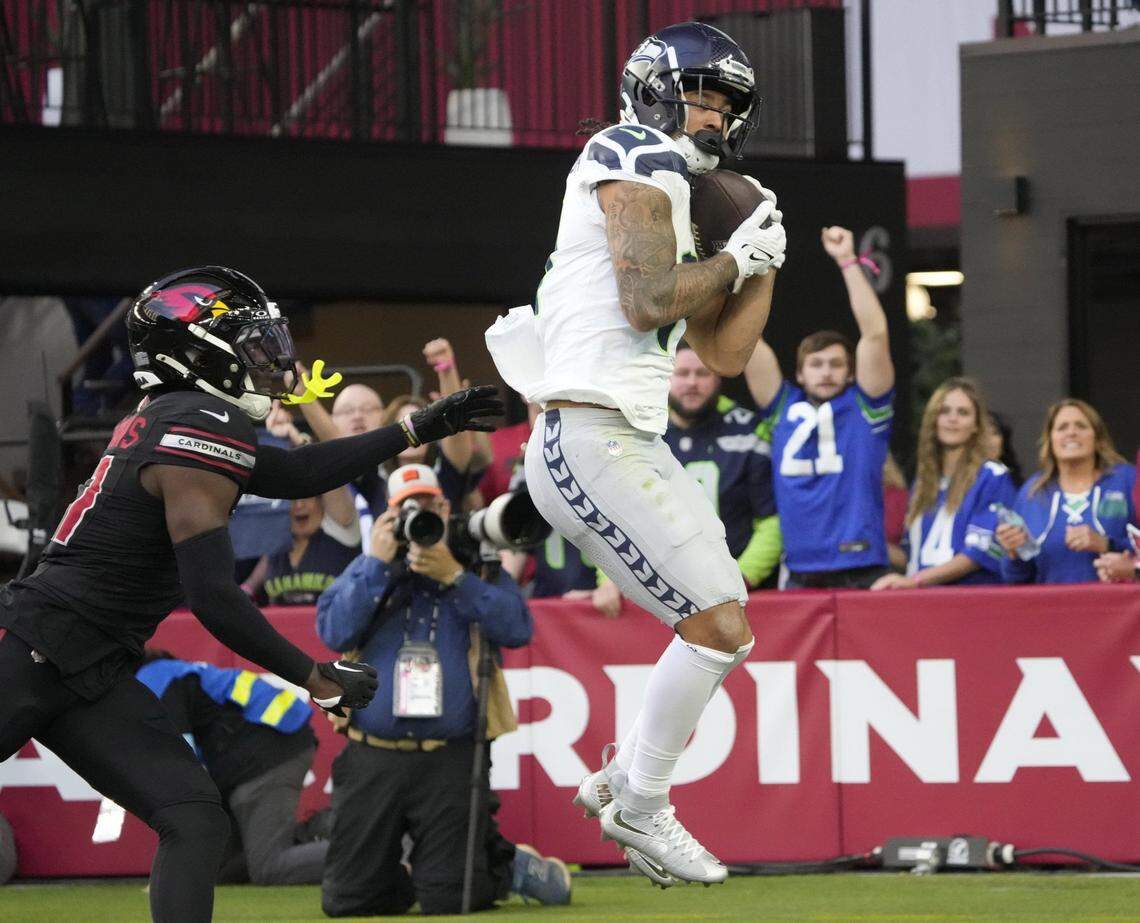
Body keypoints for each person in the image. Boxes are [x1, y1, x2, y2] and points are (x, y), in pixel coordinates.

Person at [0, 265, 501, 923]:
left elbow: (295, 470)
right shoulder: (197, 418)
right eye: (247, 338)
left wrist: (417, 427)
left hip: (87, 665)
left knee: (194, 815)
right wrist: (314, 676)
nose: (266, 354)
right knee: (194, 817)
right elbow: (212, 596)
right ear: (199, 348)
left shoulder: (183, 415)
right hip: (37, 648)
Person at [489, 22, 785, 886]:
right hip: (586, 430)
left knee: (727, 625)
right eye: (702, 92)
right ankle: (642, 798)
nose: (716, 114)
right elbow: (650, 298)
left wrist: (763, 261)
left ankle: (631, 781)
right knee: (718, 624)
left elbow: (722, 355)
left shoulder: (677, 191)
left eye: (729, 103)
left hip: (624, 433)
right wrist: (736, 257)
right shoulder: (629, 149)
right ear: (656, 89)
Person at [315, 464, 569, 915]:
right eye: (406, 507)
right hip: (371, 750)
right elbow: (334, 631)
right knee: (349, 901)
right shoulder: (368, 565)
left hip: (451, 755)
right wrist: (377, 565)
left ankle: (500, 868)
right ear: (387, 515)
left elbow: (517, 628)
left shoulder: (475, 567)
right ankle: (419, 871)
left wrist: (454, 576)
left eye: (429, 503)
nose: (420, 514)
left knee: (453, 899)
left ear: (446, 506)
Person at [745, 226, 894, 589]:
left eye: (836, 364)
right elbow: (746, 340)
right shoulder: (782, 406)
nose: (826, 372)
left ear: (850, 373)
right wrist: (751, 265)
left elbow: (874, 334)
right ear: (799, 372)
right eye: (816, 364)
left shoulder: (865, 407)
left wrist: (846, 260)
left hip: (862, 566)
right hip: (799, 569)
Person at [136, 650, 327, 885]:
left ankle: (372, 856)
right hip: (264, 749)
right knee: (220, 869)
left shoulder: (151, 678)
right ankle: (321, 829)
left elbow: (182, 763)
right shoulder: (163, 673)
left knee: (270, 868)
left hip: (267, 755)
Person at [872, 378, 1015, 589]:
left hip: (969, 601)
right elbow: (911, 555)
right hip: (923, 603)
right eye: (944, 411)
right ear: (933, 420)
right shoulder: (923, 482)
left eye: (963, 413)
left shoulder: (992, 476)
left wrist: (916, 581)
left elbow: (979, 553)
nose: (953, 419)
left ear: (976, 425)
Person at [665, 342, 780, 591]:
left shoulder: (750, 432)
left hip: (742, 591)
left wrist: (740, 578)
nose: (692, 382)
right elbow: (617, 513)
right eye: (682, 373)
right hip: (660, 591)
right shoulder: (642, 432)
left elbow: (772, 520)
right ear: (664, 377)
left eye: (703, 373)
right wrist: (611, 581)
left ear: (719, 377)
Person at [996, 398, 1135, 584]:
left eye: (1081, 426)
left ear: (1097, 437)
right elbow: (1017, 579)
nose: (1071, 433)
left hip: (1117, 608)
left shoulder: (1127, 479)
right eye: (1062, 427)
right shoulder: (1032, 492)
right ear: (1050, 440)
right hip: (1052, 608)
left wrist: (1107, 544)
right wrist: (1013, 553)